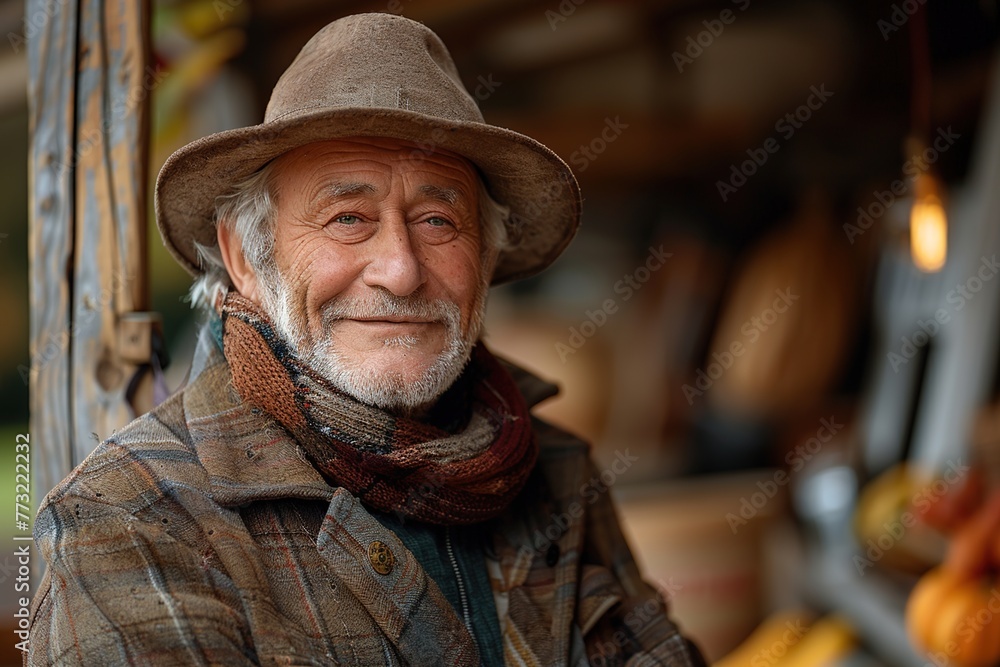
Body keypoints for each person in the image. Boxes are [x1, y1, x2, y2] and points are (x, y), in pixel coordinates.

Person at [28, 13, 705, 666]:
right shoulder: (129, 517)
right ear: (244, 257)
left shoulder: (554, 471)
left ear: (487, 256)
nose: (402, 270)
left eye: (438, 220)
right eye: (348, 217)